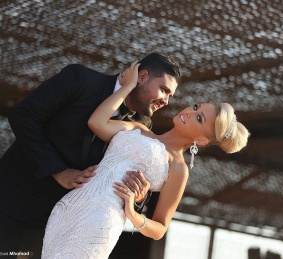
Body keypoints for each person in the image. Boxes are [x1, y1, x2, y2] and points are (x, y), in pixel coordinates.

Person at [41, 62, 250, 258]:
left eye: (199, 118)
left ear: (202, 140)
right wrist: (128, 86)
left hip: (101, 220)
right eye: (196, 107)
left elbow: (159, 228)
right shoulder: (139, 128)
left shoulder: (178, 168)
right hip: (68, 207)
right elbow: (96, 122)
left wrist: (132, 213)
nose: (189, 112)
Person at [0, 53, 182, 257]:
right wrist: (59, 171)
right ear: (142, 76)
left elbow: (121, 171)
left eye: (170, 96)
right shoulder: (81, 79)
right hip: (12, 203)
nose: (166, 101)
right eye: (164, 90)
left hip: (61, 226)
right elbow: (24, 116)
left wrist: (139, 197)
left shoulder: (142, 125)